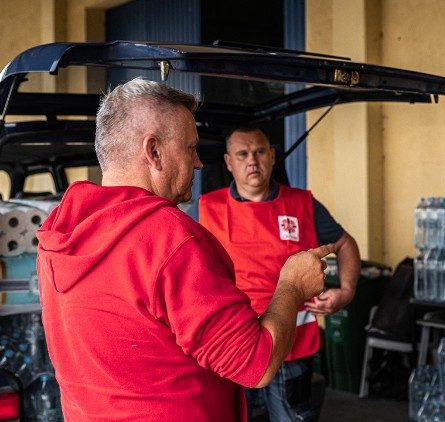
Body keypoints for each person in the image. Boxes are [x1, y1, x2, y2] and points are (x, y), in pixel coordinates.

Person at [35, 78, 332, 421]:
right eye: (191, 148)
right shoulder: (169, 239)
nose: (199, 164)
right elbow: (255, 363)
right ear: (154, 151)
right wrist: (292, 285)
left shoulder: (58, 230)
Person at [199, 127, 361, 421]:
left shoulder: (302, 204)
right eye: (242, 154)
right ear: (227, 162)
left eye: (260, 152)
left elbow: (345, 244)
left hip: (291, 345)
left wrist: (346, 291)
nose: (253, 161)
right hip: (234, 344)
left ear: (272, 156)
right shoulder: (206, 209)